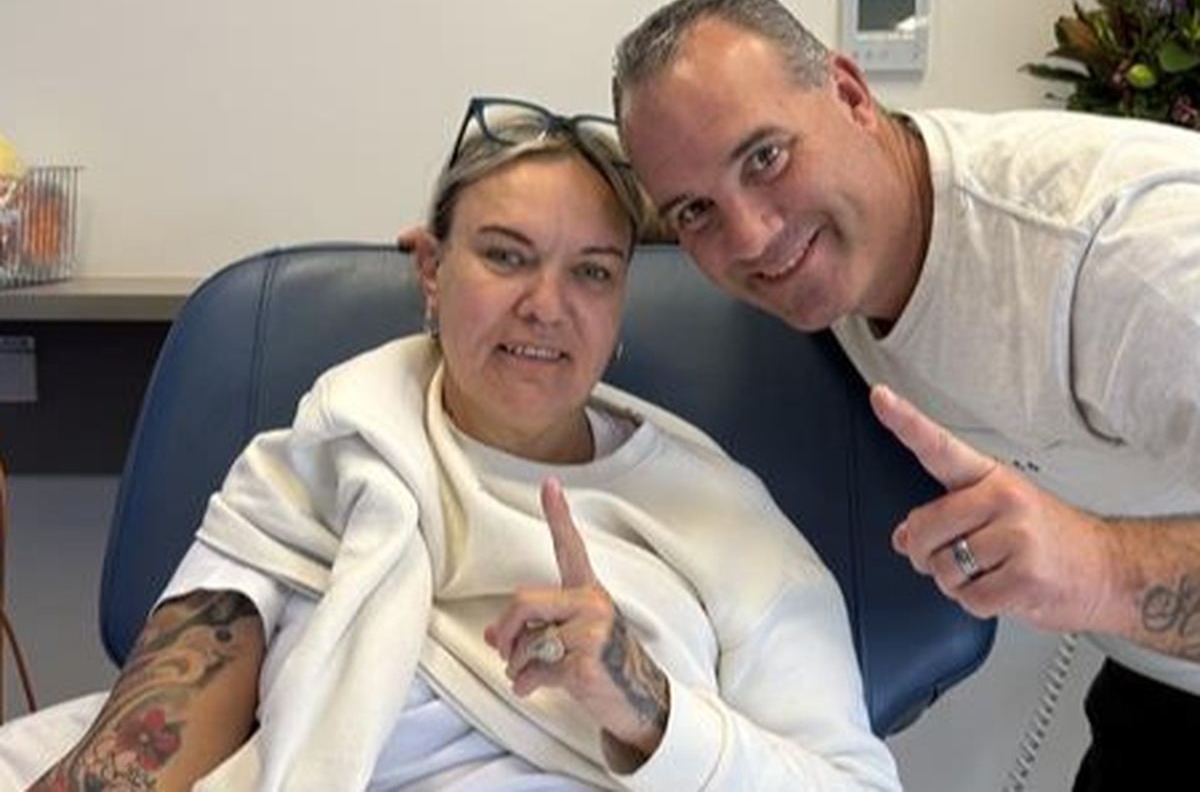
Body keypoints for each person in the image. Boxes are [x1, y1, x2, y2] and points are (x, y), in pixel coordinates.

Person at [0, 96, 900, 791]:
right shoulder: (327, 455)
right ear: (431, 270)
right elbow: (150, 739)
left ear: (620, 300)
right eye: (506, 256)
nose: (546, 306)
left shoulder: (722, 522)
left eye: (591, 272)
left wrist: (649, 709)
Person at [611, 0, 1200, 790]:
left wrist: (1099, 570)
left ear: (851, 96)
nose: (751, 237)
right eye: (695, 212)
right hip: (1161, 678)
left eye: (766, 158)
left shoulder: (1127, 264)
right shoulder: (849, 230)